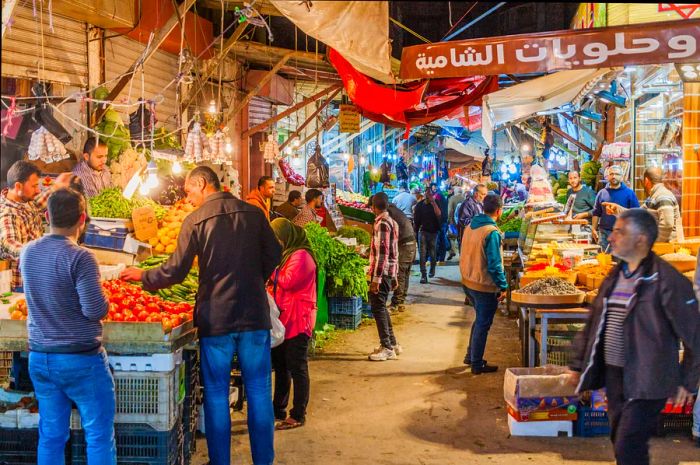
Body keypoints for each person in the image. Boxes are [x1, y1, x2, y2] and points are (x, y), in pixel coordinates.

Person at [121, 166, 281, 465]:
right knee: (259, 391)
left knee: (217, 394)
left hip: (216, 317)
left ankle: (220, 461)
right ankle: (265, 461)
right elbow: (275, 253)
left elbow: (175, 271)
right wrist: (253, 279)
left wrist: (143, 275)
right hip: (253, 314)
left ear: (202, 183)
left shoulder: (195, 220)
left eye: (189, 190)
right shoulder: (253, 214)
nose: (189, 197)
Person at [567, 209, 699, 465]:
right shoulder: (616, 275)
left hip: (651, 376)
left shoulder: (668, 280)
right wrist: (578, 364)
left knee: (629, 442)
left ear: (640, 239)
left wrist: (688, 381)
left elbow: (695, 333)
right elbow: (595, 321)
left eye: (620, 231)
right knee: (620, 439)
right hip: (616, 373)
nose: (612, 236)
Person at [20, 188, 115, 465]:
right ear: (82, 219)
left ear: (47, 216)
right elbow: (95, 309)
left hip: (40, 358)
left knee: (50, 436)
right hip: (81, 361)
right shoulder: (81, 257)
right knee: (98, 435)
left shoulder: (28, 252)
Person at [268, 218, 317, 431]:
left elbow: (288, 280)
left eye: (278, 237)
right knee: (281, 367)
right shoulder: (287, 254)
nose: (276, 242)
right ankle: (277, 409)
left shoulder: (302, 256)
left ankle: (298, 414)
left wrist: (269, 268)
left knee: (297, 367)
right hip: (283, 319)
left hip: (299, 318)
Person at [0, 161, 71, 291]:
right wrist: (40, 253)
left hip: (34, 278)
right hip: (22, 284)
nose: (38, 190)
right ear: (18, 186)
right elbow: (8, 243)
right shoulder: (8, 213)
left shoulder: (24, 201)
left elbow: (37, 205)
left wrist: (57, 186)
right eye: (33, 186)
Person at [459, 194, 507, 374]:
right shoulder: (491, 232)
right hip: (483, 284)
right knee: (482, 324)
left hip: (468, 281)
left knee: (479, 320)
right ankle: (477, 364)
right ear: (499, 211)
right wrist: (503, 286)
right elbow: (494, 265)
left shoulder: (471, 225)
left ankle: (470, 356)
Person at [604, 167, 683, 243]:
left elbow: (667, 224)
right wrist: (616, 209)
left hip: (666, 249)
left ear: (646, 180)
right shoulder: (654, 197)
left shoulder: (662, 196)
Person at [367, 192, 400, 362]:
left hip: (382, 272)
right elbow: (394, 252)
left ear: (374, 207)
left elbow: (382, 253)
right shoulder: (392, 221)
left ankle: (387, 347)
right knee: (382, 307)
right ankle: (392, 343)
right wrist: (394, 276)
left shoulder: (382, 223)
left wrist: (375, 280)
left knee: (378, 308)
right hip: (389, 272)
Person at [592, 165, 639, 251]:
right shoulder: (601, 193)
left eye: (617, 174)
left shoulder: (629, 193)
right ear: (608, 176)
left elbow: (636, 214)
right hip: (604, 234)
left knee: (620, 261)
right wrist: (593, 229)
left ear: (622, 177)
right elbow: (596, 212)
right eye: (611, 174)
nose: (614, 176)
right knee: (604, 260)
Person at [386, 201, 416, 313]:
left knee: (401, 274)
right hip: (412, 244)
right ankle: (401, 301)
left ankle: (396, 303)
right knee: (406, 273)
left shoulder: (389, 213)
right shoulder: (396, 211)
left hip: (405, 246)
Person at [413, 186, 441, 284]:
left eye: (430, 193)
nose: (428, 195)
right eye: (426, 193)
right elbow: (416, 220)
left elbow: (439, 214)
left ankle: (432, 269)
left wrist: (433, 202)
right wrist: (415, 231)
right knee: (422, 254)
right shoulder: (420, 205)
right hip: (423, 232)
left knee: (433, 253)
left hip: (433, 232)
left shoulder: (436, 203)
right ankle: (423, 275)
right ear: (424, 194)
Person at [456, 184, 488, 250]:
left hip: (477, 238)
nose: (485, 196)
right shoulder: (467, 204)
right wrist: (481, 220)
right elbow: (464, 221)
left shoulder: (480, 203)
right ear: (476, 194)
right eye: (483, 194)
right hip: (468, 239)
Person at [432, 183, 450, 263]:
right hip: (443, 220)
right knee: (441, 239)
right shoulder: (441, 195)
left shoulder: (437, 196)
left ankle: (438, 258)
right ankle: (441, 258)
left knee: (438, 240)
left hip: (440, 221)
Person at [447, 186, 465, 260]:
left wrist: (448, 220)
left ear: (455, 192)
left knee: (452, 236)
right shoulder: (464, 199)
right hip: (463, 222)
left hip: (453, 222)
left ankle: (452, 251)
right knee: (461, 238)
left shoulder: (452, 198)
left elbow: (450, 210)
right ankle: (462, 254)